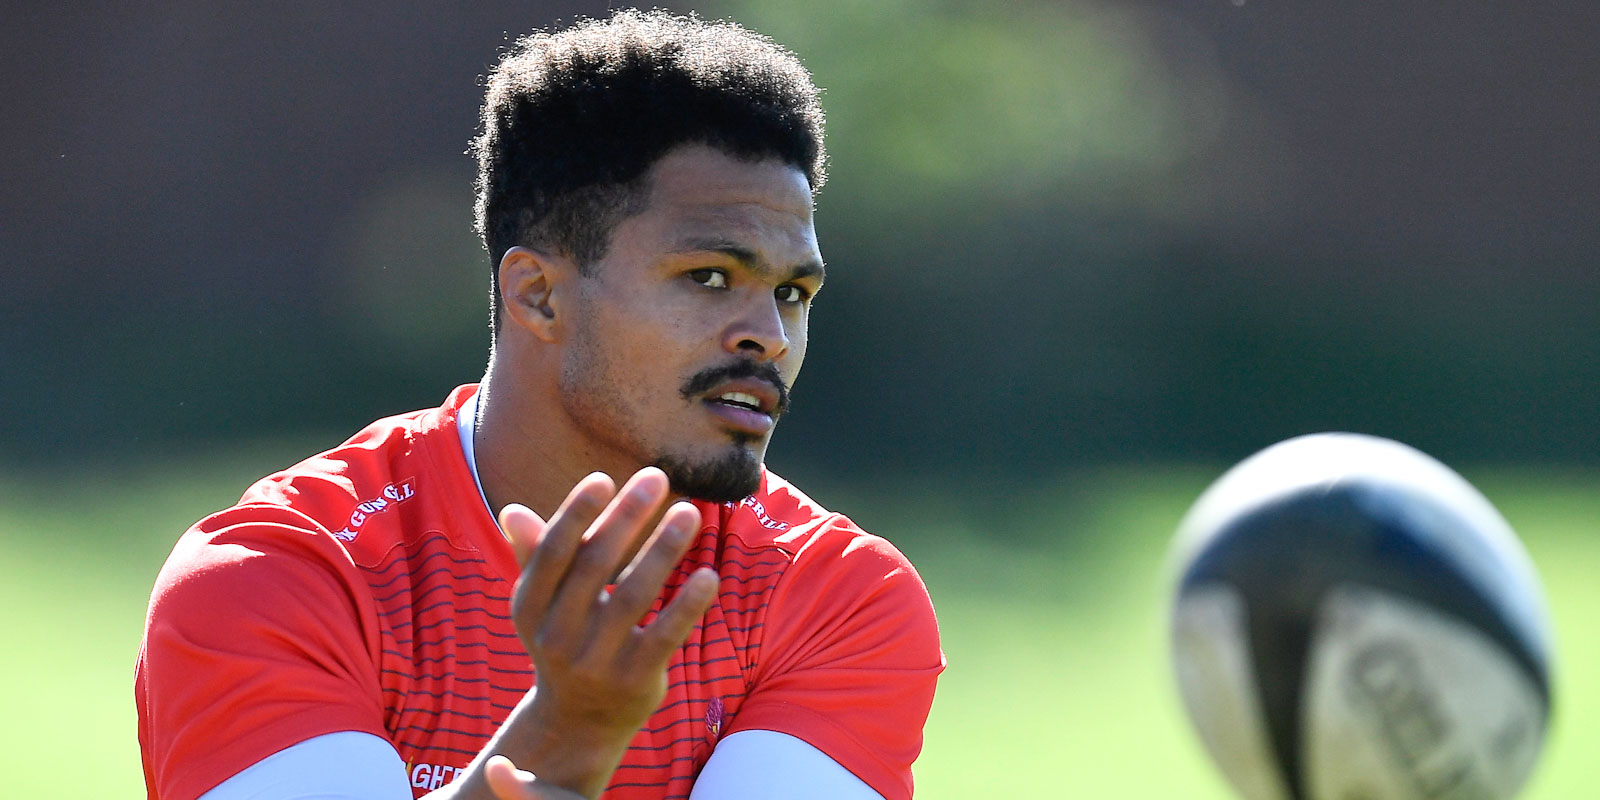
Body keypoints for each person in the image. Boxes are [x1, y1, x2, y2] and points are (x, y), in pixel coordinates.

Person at [135, 10, 944, 800]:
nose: (768, 336)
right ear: (538, 294)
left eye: (793, 292)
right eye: (708, 277)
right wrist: (568, 733)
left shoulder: (835, 597)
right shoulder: (281, 576)